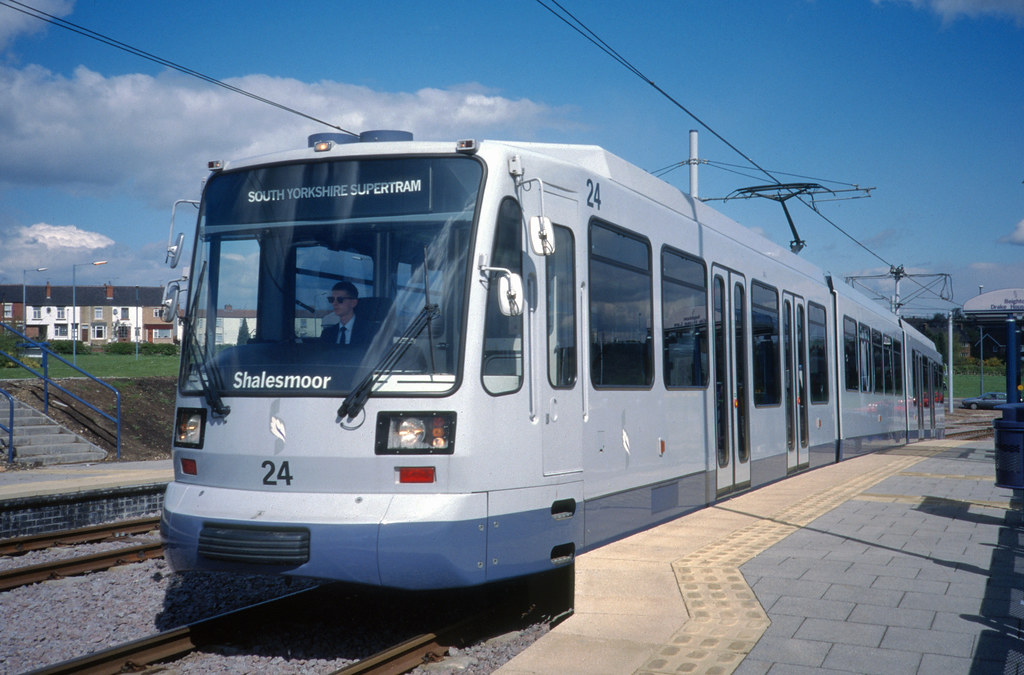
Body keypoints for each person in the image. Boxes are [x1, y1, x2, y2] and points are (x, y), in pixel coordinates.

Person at [320, 281, 373, 347]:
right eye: (332, 299)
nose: (334, 303)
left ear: (353, 303)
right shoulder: (327, 334)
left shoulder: (370, 331)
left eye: (340, 299)